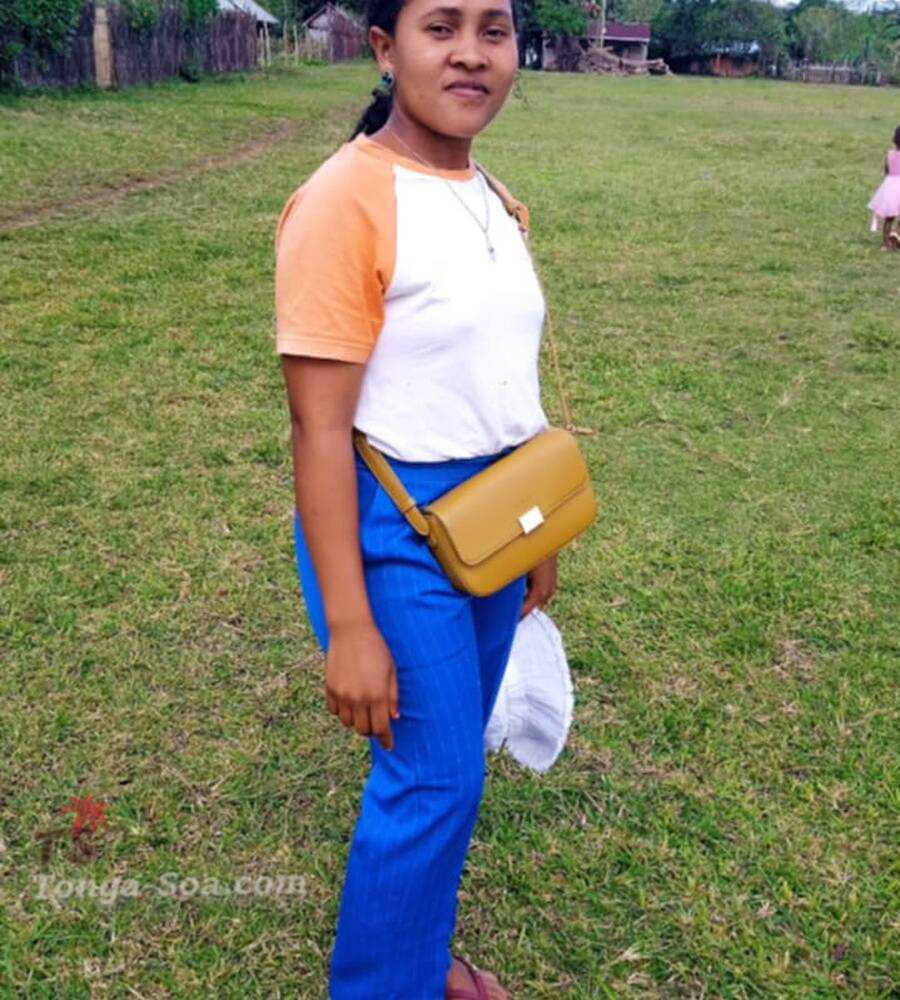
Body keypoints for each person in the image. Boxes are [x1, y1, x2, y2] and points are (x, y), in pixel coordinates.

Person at [273, 0, 557, 996]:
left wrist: (534, 530)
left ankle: (416, 964)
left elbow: (500, 376)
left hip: (493, 517)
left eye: (494, 30)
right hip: (396, 525)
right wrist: (350, 624)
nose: (472, 54)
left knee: (450, 774)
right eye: (442, 28)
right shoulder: (345, 199)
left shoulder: (490, 193)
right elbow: (317, 428)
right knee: (433, 778)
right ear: (386, 49)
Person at [868, 125, 900, 250]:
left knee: (889, 218)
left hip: (890, 186)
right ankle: (897, 235)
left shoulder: (889, 154)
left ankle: (885, 244)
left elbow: (887, 171)